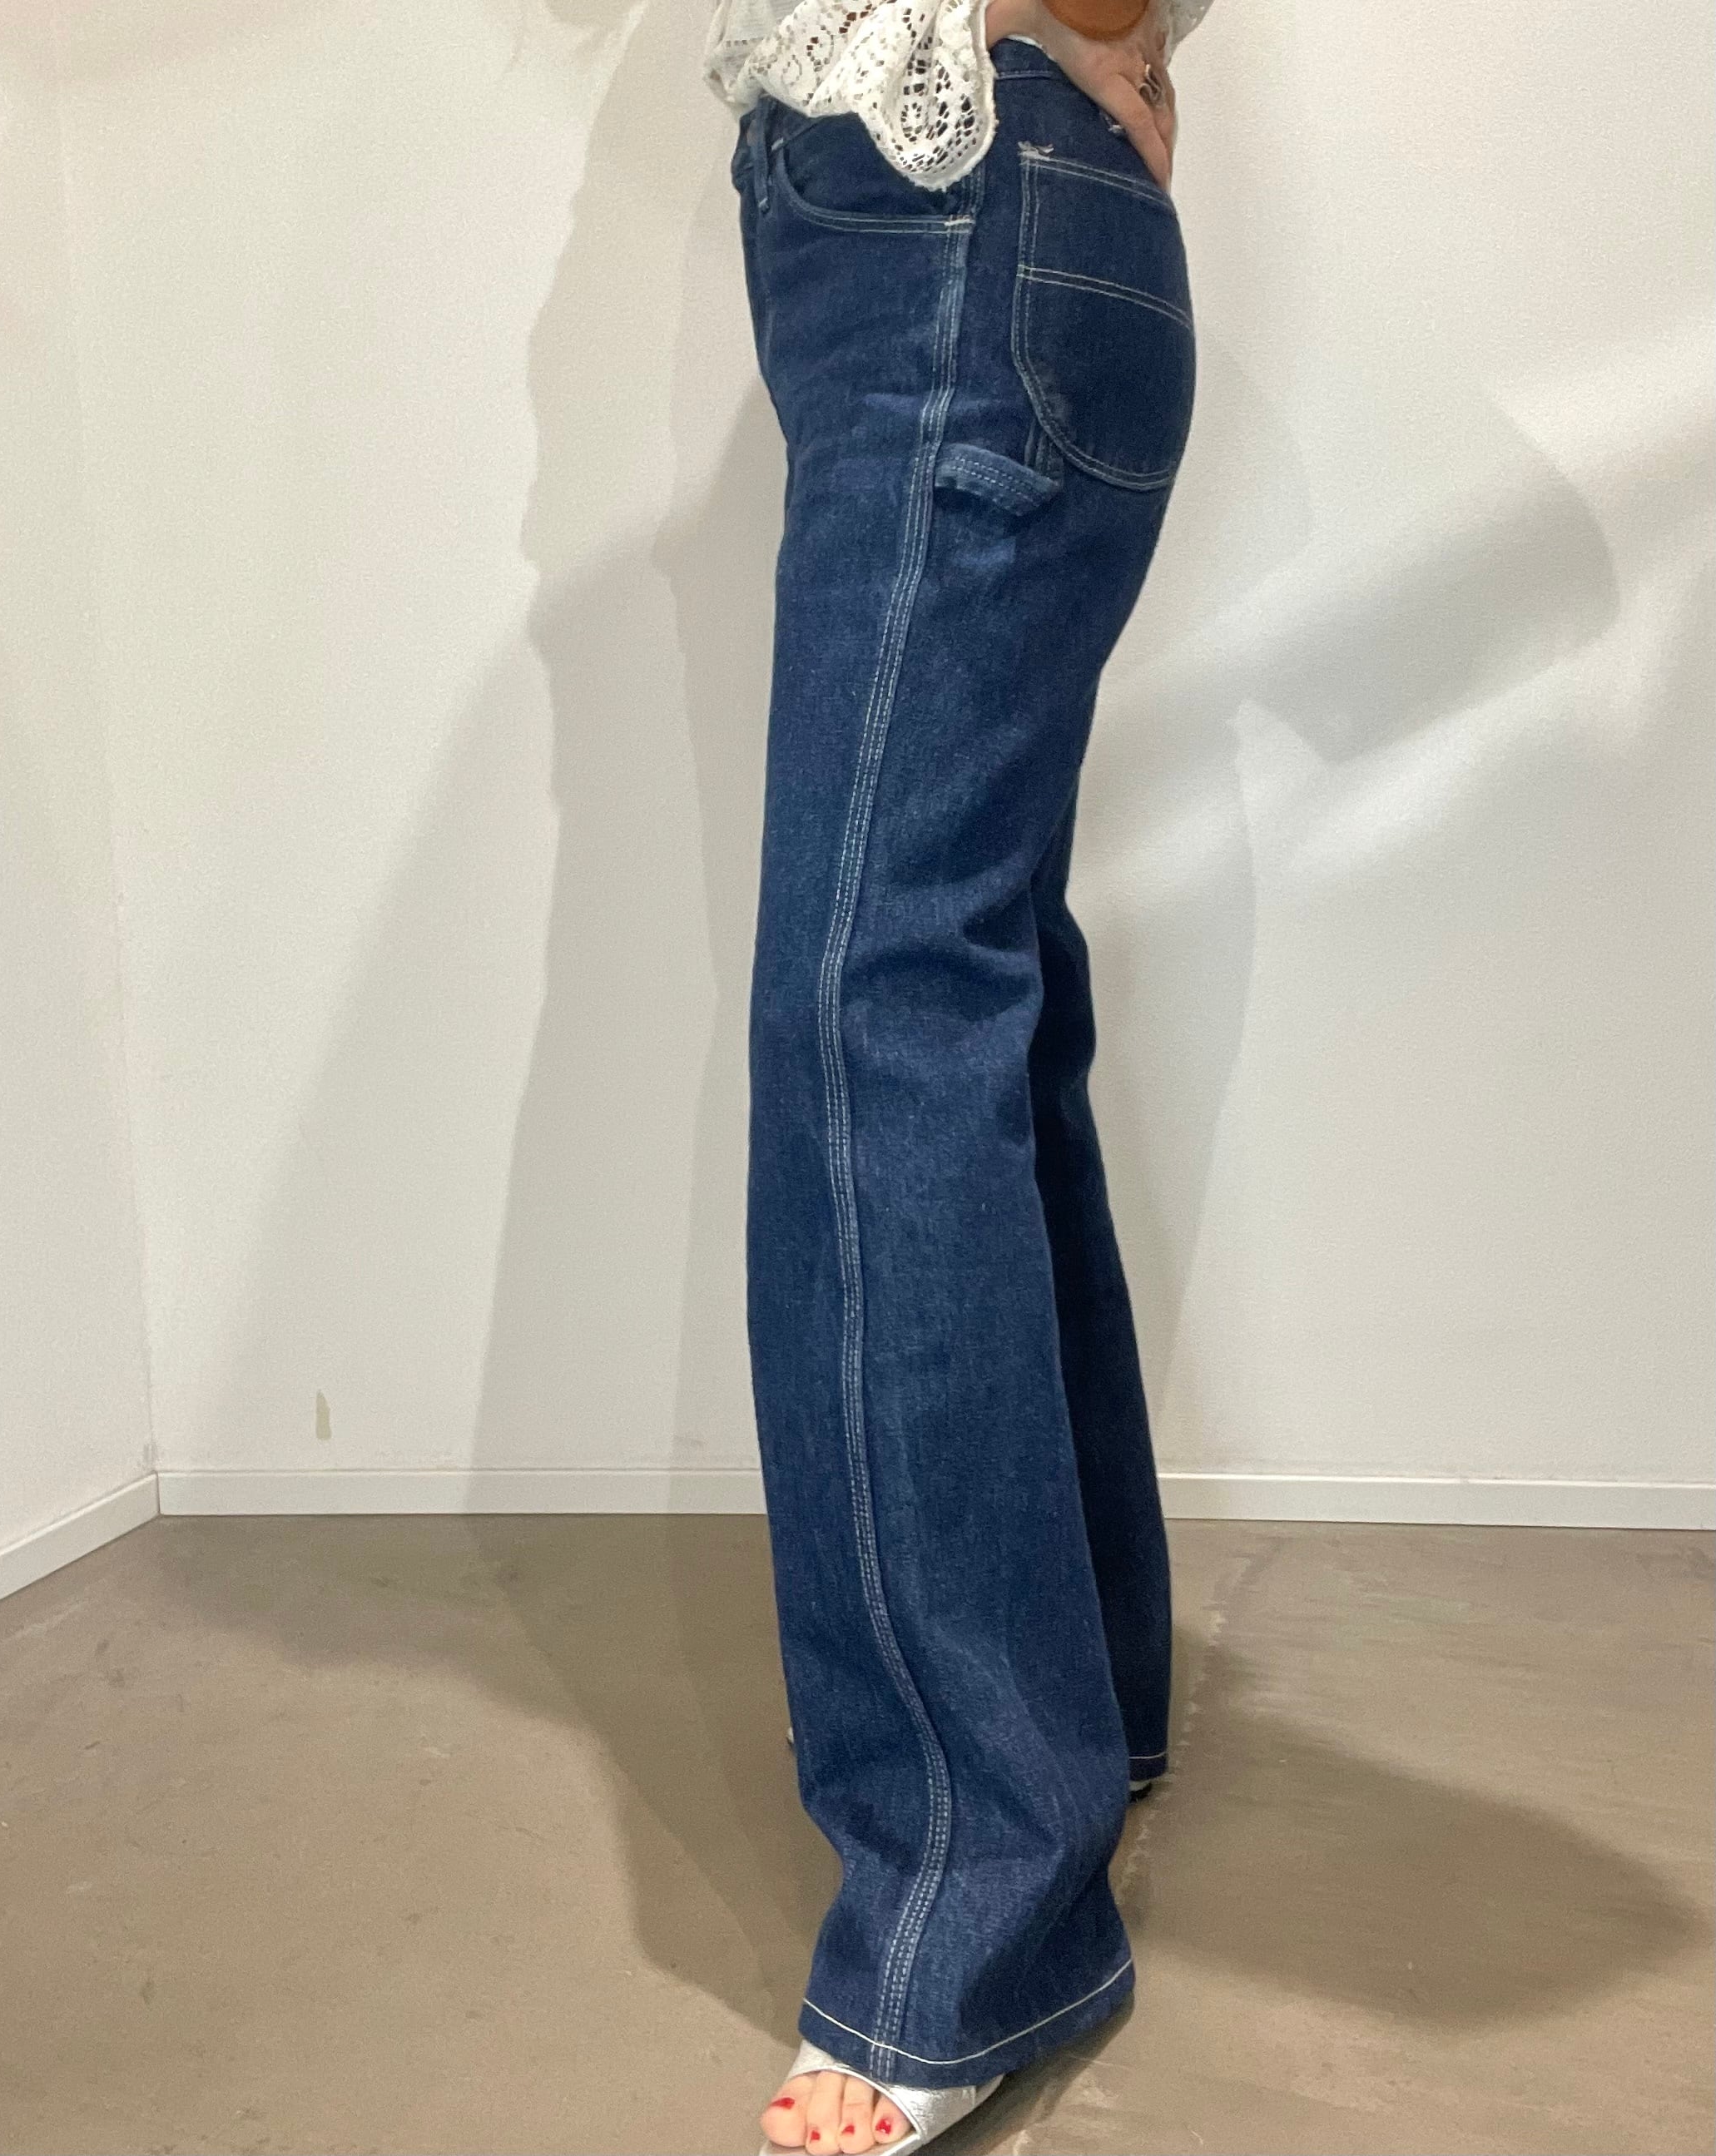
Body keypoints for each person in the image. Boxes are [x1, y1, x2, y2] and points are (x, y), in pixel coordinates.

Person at [701, 0, 1213, 2145]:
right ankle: (1070, 1711)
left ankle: (970, 1902)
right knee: (965, 998)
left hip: (958, 225)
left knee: (881, 1009)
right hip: (947, 232)